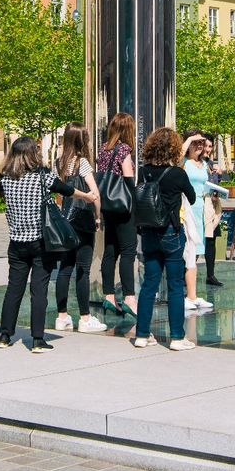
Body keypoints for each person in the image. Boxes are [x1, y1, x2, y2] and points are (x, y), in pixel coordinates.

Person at [0, 136, 98, 353]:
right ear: (34, 153)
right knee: (38, 290)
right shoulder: (43, 176)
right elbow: (66, 190)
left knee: (14, 288)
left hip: (16, 242)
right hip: (40, 242)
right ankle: (37, 339)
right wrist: (87, 197)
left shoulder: (4, 177)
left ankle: (4, 335)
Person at [135, 127, 199, 350]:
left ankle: (142, 335)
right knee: (175, 286)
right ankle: (177, 338)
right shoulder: (177, 173)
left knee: (149, 284)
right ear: (174, 149)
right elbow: (191, 197)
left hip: (149, 232)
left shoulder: (144, 172)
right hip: (171, 231)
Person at [53, 122, 107, 334]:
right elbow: (95, 194)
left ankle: (62, 316)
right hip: (82, 220)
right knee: (83, 269)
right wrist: (97, 217)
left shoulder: (59, 162)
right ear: (81, 139)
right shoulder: (82, 162)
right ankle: (85, 318)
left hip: (64, 220)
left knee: (65, 269)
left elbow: (59, 193)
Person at [96, 112, 138, 317]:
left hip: (107, 206)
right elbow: (129, 181)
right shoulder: (124, 150)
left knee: (110, 251)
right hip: (123, 207)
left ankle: (109, 296)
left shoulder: (103, 149)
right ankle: (130, 298)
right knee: (129, 252)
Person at [182, 129, 215, 311]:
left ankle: (192, 294)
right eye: (196, 142)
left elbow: (203, 185)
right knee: (187, 252)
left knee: (194, 254)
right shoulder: (184, 162)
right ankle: (186, 293)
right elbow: (177, 157)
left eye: (202, 142)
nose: (200, 145)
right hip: (186, 210)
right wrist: (189, 141)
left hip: (200, 208)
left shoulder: (203, 163)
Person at [203, 135, 224, 287]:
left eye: (211, 147)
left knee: (211, 241)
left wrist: (219, 177)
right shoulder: (196, 163)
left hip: (212, 205)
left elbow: (214, 183)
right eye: (206, 146)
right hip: (201, 206)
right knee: (198, 241)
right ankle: (186, 275)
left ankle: (210, 274)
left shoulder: (211, 164)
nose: (208, 149)